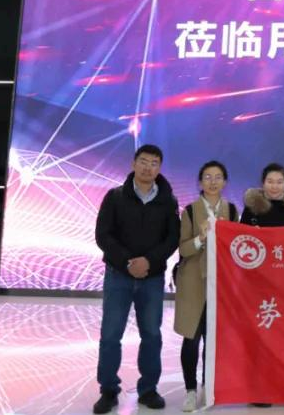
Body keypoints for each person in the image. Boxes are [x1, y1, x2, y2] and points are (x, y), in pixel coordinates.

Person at [93, 145, 179, 414]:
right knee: (110, 335)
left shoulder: (168, 201)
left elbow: (172, 239)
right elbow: (103, 235)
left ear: (159, 168)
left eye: (154, 163)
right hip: (118, 275)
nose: (148, 167)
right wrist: (128, 262)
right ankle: (108, 390)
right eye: (143, 161)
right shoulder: (115, 196)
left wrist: (149, 261)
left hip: (152, 278)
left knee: (151, 335)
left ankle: (149, 389)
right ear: (133, 164)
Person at [174, 161, 238, 412]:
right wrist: (201, 238)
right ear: (200, 182)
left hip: (221, 285)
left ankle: (208, 386)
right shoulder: (190, 211)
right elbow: (183, 249)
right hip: (194, 283)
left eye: (218, 177)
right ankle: (190, 390)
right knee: (192, 338)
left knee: (213, 340)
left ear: (225, 182)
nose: (213, 182)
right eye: (208, 177)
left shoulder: (231, 210)